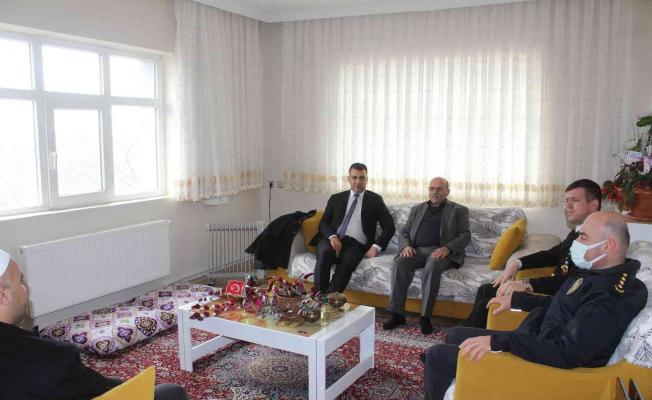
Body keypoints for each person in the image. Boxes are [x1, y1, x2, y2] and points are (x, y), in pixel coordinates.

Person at [423, 211, 648, 400]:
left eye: (583, 237)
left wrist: (499, 342)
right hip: (537, 339)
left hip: (545, 368)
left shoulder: (612, 297)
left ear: (608, 246)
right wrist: (516, 299)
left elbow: (566, 353)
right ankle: (467, 384)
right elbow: (562, 305)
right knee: (455, 335)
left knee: (437, 355)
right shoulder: (598, 273)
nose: (576, 243)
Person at [0, 250, 189, 400]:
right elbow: (102, 391)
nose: (25, 289)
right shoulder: (53, 357)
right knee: (172, 392)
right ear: (3, 295)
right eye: (20, 282)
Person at [461, 179, 602, 328]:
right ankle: (468, 331)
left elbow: (571, 282)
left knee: (486, 303)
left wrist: (527, 283)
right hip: (553, 287)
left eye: (575, 200)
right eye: (566, 200)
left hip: (557, 299)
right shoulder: (578, 231)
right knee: (485, 290)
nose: (568, 205)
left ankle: (464, 335)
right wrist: (517, 262)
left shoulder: (596, 240)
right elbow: (552, 254)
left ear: (593, 204)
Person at [383, 177, 470, 334]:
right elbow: (404, 232)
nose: (434, 192)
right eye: (431, 188)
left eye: (439, 189)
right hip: (418, 250)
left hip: (441, 251)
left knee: (433, 264)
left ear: (447, 192)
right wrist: (406, 246)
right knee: (400, 262)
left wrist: (448, 248)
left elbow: (465, 235)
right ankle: (397, 314)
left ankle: (425, 317)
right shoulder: (417, 209)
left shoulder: (459, 210)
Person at [310, 162, 395, 294]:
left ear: (367, 180)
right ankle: (318, 295)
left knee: (348, 261)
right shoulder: (336, 198)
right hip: (333, 239)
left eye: (362, 178)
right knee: (324, 251)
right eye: (354, 177)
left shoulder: (375, 200)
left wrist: (376, 247)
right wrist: (332, 237)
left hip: (356, 245)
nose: (358, 181)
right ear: (348, 179)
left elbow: (389, 227)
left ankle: (329, 299)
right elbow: (324, 223)